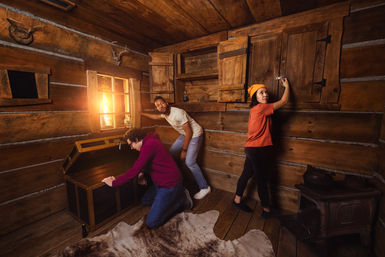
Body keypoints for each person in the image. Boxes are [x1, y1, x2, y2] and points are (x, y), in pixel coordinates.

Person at [102, 128, 193, 229]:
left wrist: (114, 182)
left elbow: (133, 171)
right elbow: (149, 161)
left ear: (136, 140)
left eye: (130, 144)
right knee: (146, 200)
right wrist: (142, 173)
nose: (131, 148)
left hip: (170, 184)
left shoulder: (149, 145)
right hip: (160, 183)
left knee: (152, 223)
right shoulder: (149, 142)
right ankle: (171, 197)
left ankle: (182, 200)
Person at [232, 78, 290, 218]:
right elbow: (284, 101)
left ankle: (237, 200)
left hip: (253, 148)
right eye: (261, 93)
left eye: (266, 92)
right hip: (258, 150)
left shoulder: (255, 109)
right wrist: (287, 86)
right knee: (262, 180)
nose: (265, 95)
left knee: (246, 174)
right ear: (255, 97)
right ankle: (266, 210)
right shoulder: (262, 108)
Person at [141, 96, 210, 200]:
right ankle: (177, 181)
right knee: (171, 154)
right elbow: (155, 117)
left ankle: (205, 187)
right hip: (185, 134)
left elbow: (189, 132)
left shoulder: (178, 113)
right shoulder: (165, 114)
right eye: (158, 106)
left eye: (162, 103)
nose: (160, 106)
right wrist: (141, 113)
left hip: (195, 134)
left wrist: (184, 151)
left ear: (167, 103)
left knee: (190, 162)